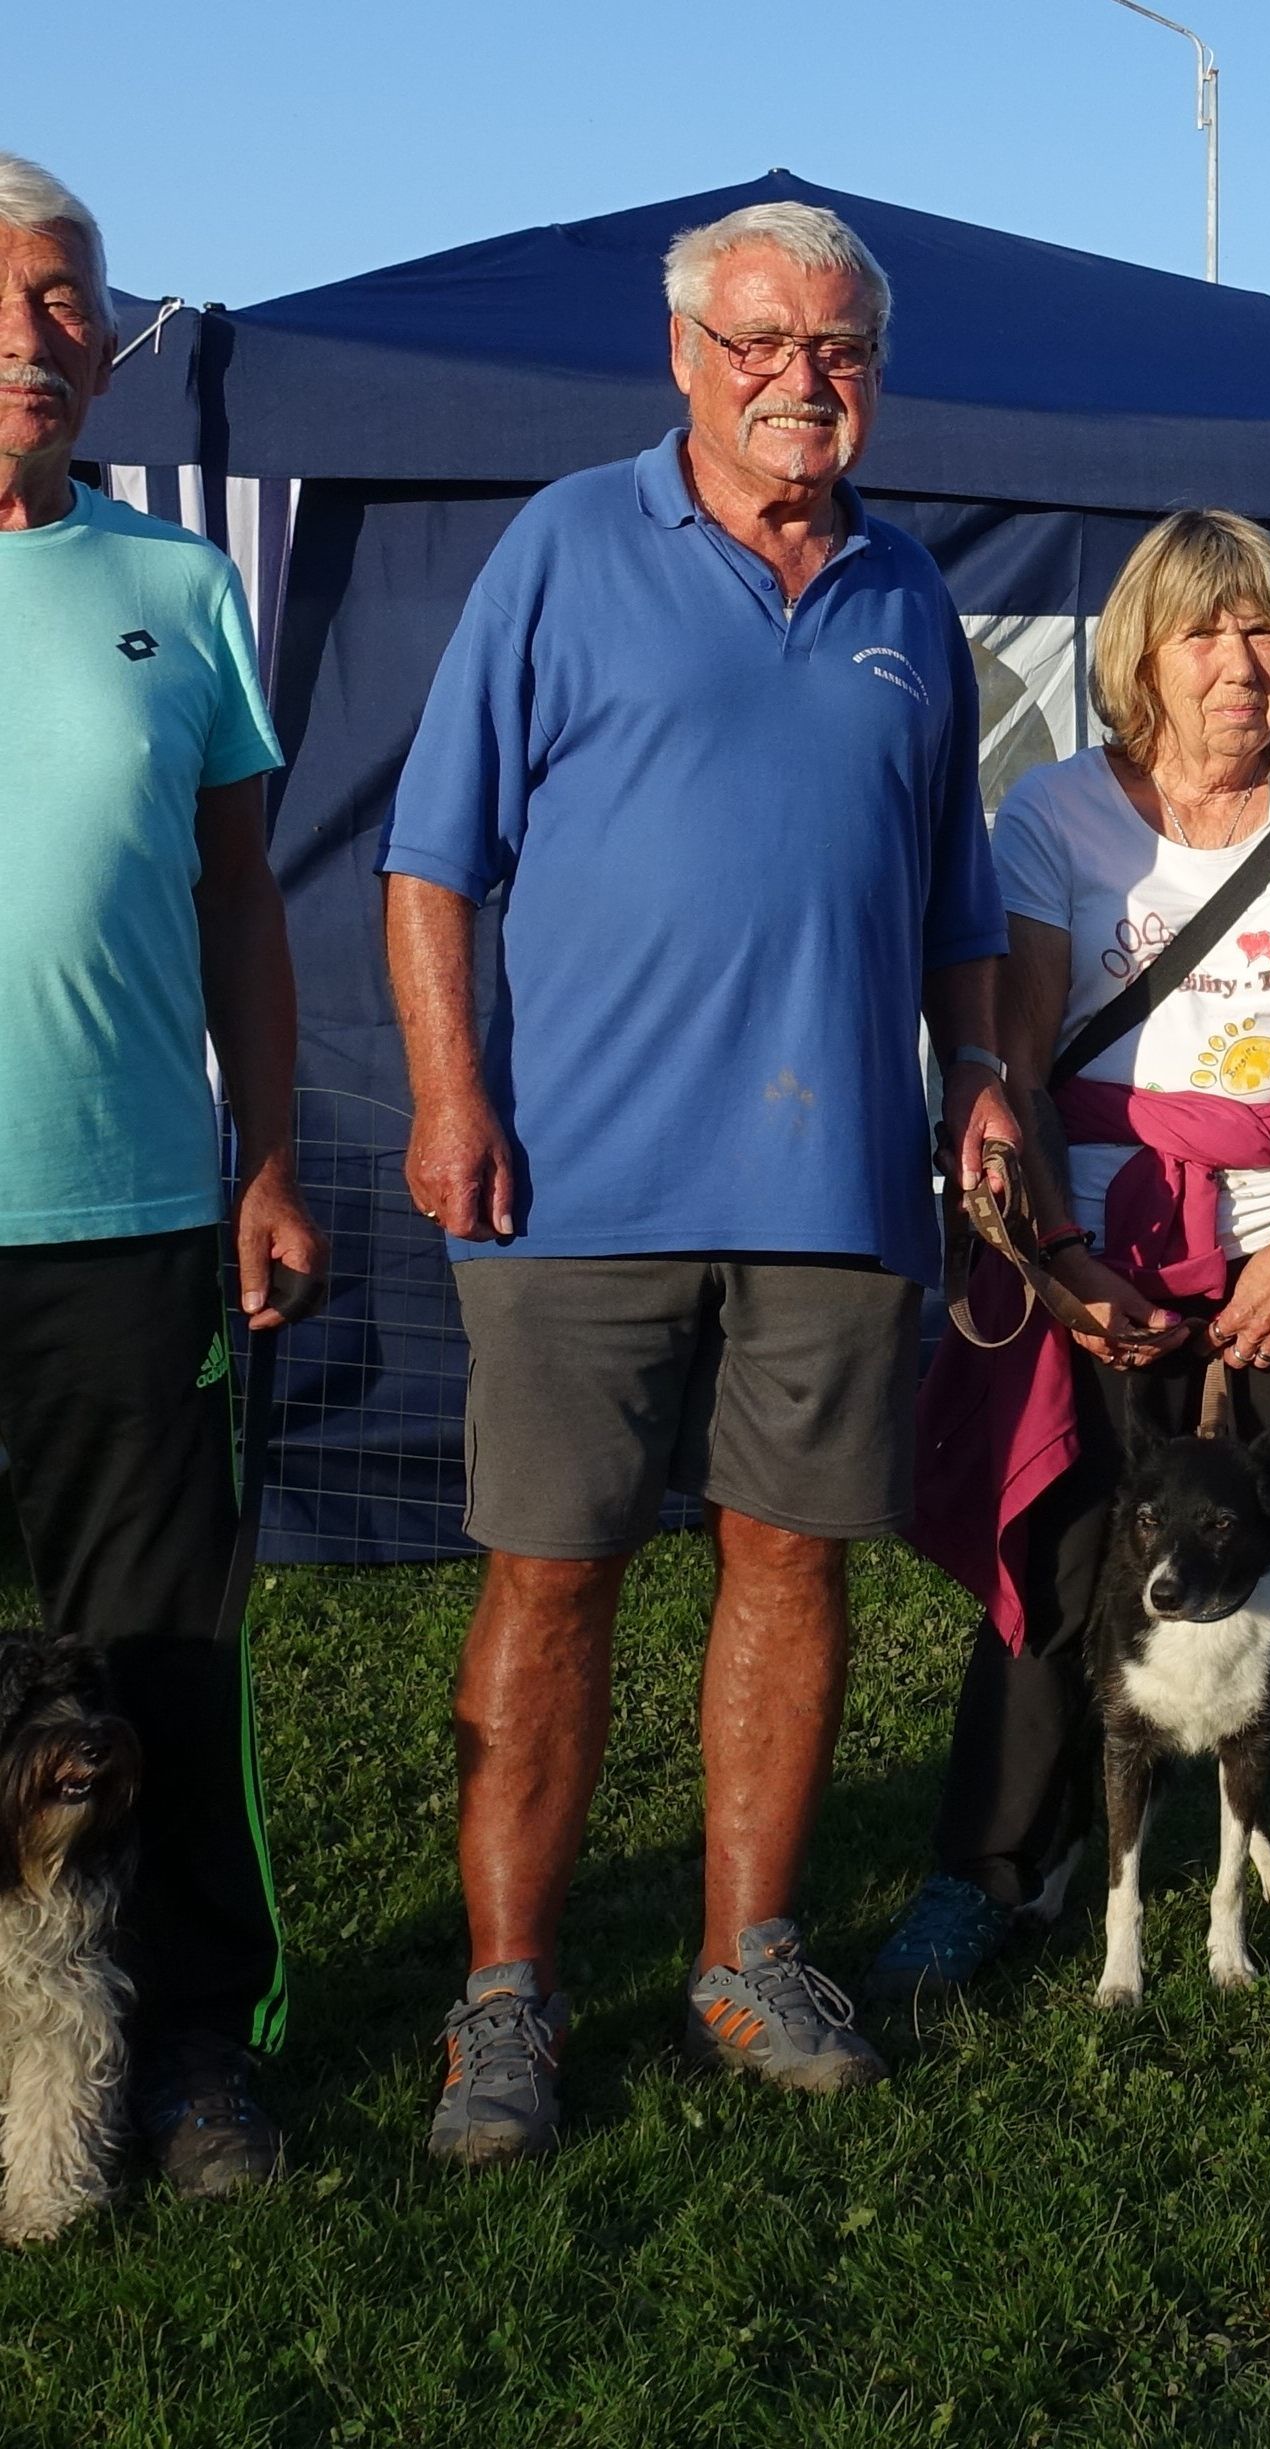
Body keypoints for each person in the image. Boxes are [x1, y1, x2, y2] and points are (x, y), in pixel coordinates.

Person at [382, 202, 1014, 2164]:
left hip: (837, 1188)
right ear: (684, 356)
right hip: (574, 1183)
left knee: (790, 1567)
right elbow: (433, 860)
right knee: (551, 1579)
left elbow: (953, 899)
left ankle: (751, 1950)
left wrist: (982, 1074)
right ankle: (509, 1998)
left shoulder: (911, 594)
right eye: (761, 341)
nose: (799, 377)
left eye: (836, 348)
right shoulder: (565, 546)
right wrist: (449, 1093)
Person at [892, 509, 1270, 1994]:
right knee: (1072, 1544)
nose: (1243, 662)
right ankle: (989, 1873)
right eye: (1206, 632)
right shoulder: (1051, 817)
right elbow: (1012, 1060)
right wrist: (1065, 1262)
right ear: (1140, 658)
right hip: (1098, 1255)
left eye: (1268, 630)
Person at [0, 152, 324, 2200]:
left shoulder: (175, 587)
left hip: (119, 1216)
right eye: (13, 295)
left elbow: (244, 912)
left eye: (71, 303)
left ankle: (192, 2047)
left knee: (156, 1664)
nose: (47, 337)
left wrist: (272, 1158)